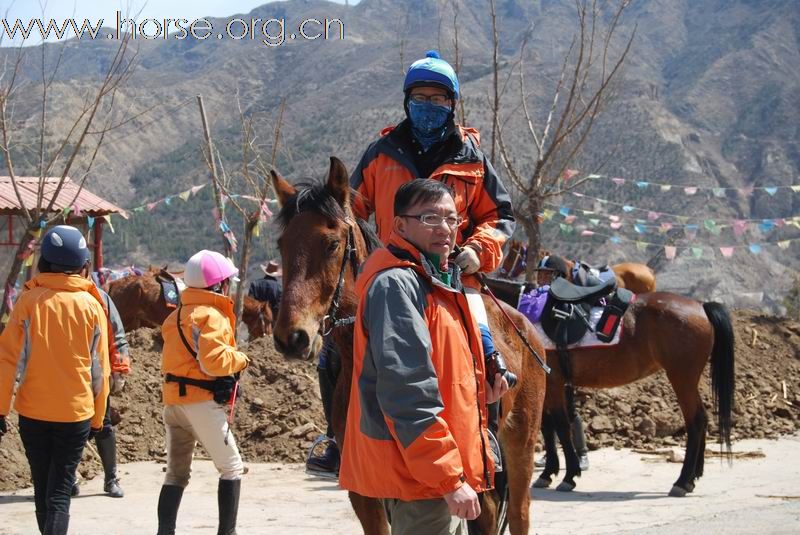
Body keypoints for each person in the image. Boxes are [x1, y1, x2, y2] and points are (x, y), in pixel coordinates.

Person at [308, 49, 517, 473]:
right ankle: (336, 437)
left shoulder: (472, 159)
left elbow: (501, 217)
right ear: (407, 102)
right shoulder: (381, 153)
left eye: (438, 100)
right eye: (420, 98)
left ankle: (485, 435)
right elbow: (351, 210)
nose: (428, 107)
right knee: (332, 349)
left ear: (452, 104)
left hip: (453, 275)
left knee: (484, 344)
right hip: (390, 274)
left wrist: (477, 251)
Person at [339, 179, 509, 534]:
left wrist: (480, 392)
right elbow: (408, 391)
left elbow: (446, 371)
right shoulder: (397, 285)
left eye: (451, 219)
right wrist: (447, 477)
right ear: (399, 225)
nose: (445, 229)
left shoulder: (440, 281)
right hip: (422, 479)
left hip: (439, 472)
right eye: (430, 218)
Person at [0, 225, 111, 535]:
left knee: (41, 489)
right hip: (75, 415)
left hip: (33, 414)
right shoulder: (92, 306)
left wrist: (0, 408)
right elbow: (100, 370)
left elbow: (7, 360)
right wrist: (98, 418)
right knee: (59, 494)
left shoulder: (27, 302)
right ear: (82, 264)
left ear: (44, 261)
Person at [156, 250, 250, 535]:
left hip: (173, 403)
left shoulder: (176, 316)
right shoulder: (212, 316)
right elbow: (213, 362)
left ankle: (165, 531)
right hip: (200, 403)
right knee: (232, 467)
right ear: (220, 285)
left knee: (176, 473)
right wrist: (241, 359)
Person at [71, 287, 131, 498]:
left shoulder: (99, 297)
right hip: (62, 377)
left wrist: (119, 368)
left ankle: (111, 479)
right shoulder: (44, 296)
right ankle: (69, 478)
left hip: (95, 373)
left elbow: (116, 335)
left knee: (103, 424)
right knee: (67, 427)